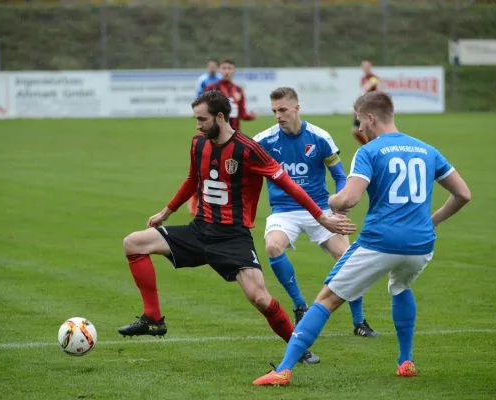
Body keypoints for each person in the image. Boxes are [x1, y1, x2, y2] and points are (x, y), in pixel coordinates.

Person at [118, 90, 357, 364]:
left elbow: (288, 184)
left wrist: (320, 215)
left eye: (202, 119)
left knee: (260, 298)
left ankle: (299, 348)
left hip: (233, 238)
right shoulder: (198, 144)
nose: (197, 125)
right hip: (199, 230)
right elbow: (192, 179)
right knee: (133, 243)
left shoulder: (249, 150)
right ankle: (153, 319)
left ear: (220, 117)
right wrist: (166, 211)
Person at [253, 91, 471, 386]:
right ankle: (405, 361)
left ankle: (283, 369)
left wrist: (331, 202)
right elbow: (463, 194)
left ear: (370, 118)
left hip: (380, 242)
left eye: (359, 122)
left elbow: (348, 200)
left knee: (327, 299)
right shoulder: (427, 150)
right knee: (401, 285)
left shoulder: (369, 151)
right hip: (421, 245)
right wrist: (431, 221)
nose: (359, 129)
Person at [253, 87, 378, 338]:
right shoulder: (263, 141)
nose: (278, 115)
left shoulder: (319, 137)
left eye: (283, 110)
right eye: (275, 111)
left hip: (320, 209)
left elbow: (340, 176)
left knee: (347, 258)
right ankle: (300, 305)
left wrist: (340, 208)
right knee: (273, 247)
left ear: (296, 108)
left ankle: (360, 322)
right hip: (284, 210)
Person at [188, 58, 257, 216]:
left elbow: (241, 113)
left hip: (234, 137)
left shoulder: (238, 90)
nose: (226, 71)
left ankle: (233, 202)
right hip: (215, 136)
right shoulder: (212, 88)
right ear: (220, 70)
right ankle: (195, 197)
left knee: (234, 172)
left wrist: (250, 116)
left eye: (229, 68)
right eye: (224, 68)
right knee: (206, 170)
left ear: (234, 70)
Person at [352, 60, 380, 145]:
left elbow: (369, 87)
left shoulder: (373, 78)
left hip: (371, 107)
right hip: (364, 106)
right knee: (355, 131)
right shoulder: (363, 78)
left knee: (371, 131)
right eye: (364, 67)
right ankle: (366, 146)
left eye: (367, 66)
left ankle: (372, 147)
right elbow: (364, 92)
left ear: (370, 67)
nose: (365, 68)